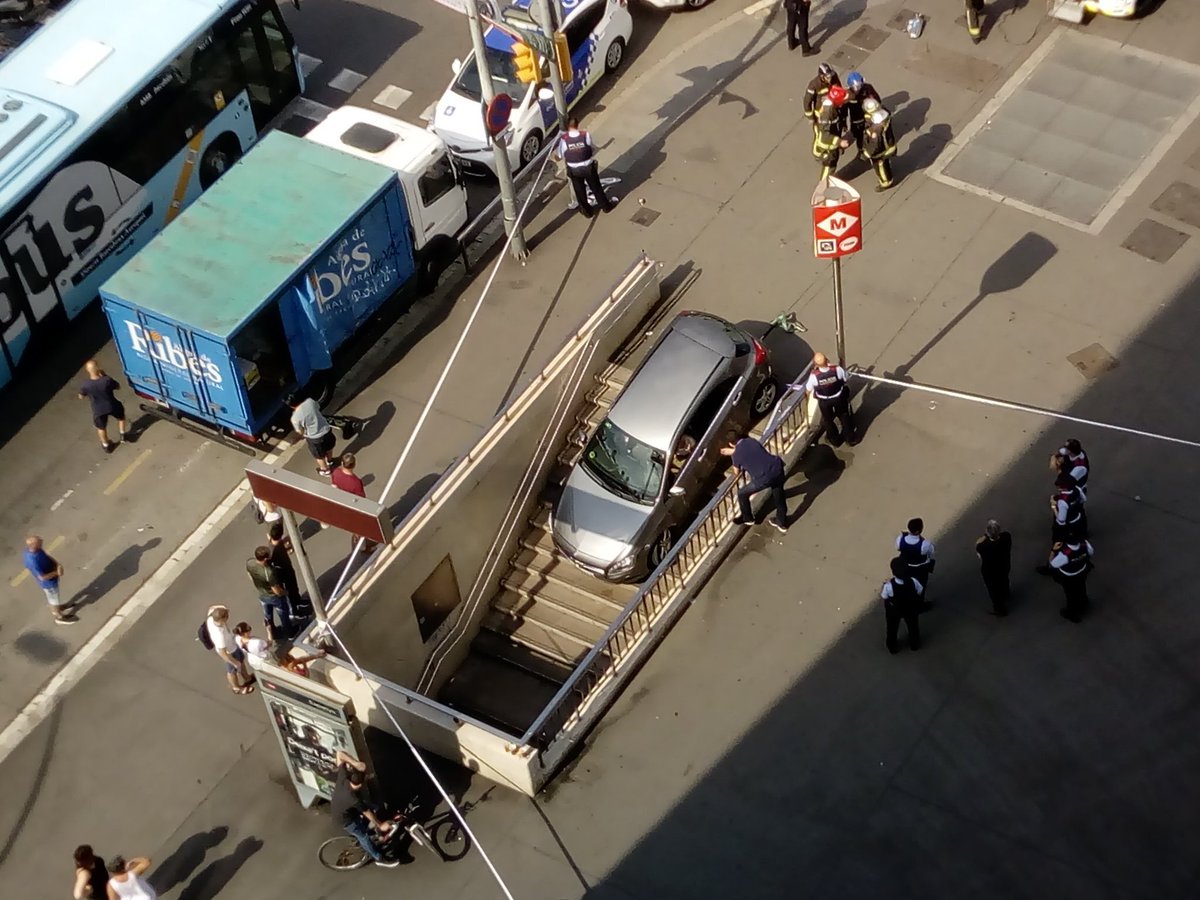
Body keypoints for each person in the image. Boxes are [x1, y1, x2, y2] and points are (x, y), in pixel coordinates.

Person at [331, 750, 400, 867]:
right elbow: (366, 812)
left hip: (346, 810)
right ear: (360, 784)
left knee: (375, 807)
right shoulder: (352, 798)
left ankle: (372, 831)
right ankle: (379, 858)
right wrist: (380, 825)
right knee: (363, 836)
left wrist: (355, 763)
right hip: (345, 820)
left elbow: (339, 754)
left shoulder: (343, 777)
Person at [720, 435, 788, 533]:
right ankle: (781, 521)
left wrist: (733, 454)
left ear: (730, 444)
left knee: (742, 493)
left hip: (763, 478)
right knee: (779, 495)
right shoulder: (751, 441)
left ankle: (747, 518)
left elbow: (736, 472)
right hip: (777, 467)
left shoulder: (736, 455)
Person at [557, 116, 616, 218]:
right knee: (596, 188)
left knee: (579, 191)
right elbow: (591, 147)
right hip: (588, 167)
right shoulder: (585, 135)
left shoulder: (564, 140)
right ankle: (606, 207)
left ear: (567, 126)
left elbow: (559, 156)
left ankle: (587, 212)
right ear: (577, 125)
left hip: (574, 170)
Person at [800, 351, 857, 446]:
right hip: (838, 397)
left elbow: (808, 390)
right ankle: (850, 438)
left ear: (815, 364)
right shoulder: (837, 369)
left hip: (824, 401)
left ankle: (835, 440)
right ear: (827, 359)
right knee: (844, 415)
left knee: (828, 420)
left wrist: (806, 399)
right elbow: (846, 379)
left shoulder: (814, 376)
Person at [78, 360, 132, 453]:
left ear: (87, 370)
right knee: (121, 417)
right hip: (112, 405)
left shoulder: (86, 385)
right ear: (98, 368)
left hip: (98, 410)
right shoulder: (106, 380)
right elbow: (118, 386)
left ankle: (106, 445)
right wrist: (105, 375)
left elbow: (81, 396)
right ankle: (123, 435)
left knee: (101, 428)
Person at [332, 452, 379, 554]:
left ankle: (363, 541)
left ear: (342, 463)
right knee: (360, 527)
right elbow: (361, 498)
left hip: (342, 505)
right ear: (354, 465)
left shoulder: (336, 472)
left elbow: (334, 487)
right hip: (353, 506)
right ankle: (363, 547)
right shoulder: (355, 482)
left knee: (355, 526)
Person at [23, 535, 75, 625]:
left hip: (52, 578)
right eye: (39, 541)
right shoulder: (32, 561)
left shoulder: (36, 550)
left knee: (55, 598)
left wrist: (57, 564)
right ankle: (59, 616)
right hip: (48, 584)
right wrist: (57, 572)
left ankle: (58, 608)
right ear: (33, 545)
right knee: (53, 599)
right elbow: (42, 577)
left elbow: (46, 556)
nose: (42, 541)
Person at [267, 522, 312, 621]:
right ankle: (295, 612)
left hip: (287, 569)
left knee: (294, 588)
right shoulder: (275, 549)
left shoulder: (274, 544)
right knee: (290, 590)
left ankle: (298, 601)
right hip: (284, 572)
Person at [206, 605, 254, 694]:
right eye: (227, 616)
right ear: (222, 619)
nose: (228, 617)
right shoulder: (219, 636)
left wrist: (224, 609)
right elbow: (222, 653)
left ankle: (247, 678)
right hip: (230, 652)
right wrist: (234, 663)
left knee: (241, 661)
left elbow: (212, 608)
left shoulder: (211, 618)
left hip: (233, 645)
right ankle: (236, 687)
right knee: (232, 671)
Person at [247, 545, 292, 640]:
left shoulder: (250, 563)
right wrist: (285, 592)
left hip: (262, 595)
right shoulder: (269, 572)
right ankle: (289, 632)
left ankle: (273, 633)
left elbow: (249, 574)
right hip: (273, 597)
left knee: (268, 617)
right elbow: (276, 590)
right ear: (265, 559)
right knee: (283, 614)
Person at [287, 393, 336, 477]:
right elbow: (318, 407)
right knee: (329, 447)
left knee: (319, 456)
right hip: (326, 429)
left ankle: (325, 470)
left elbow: (300, 431)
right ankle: (330, 461)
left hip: (314, 437)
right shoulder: (310, 401)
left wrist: (296, 439)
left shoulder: (295, 418)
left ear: (291, 406)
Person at [881, 557, 923, 653]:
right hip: (910, 608)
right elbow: (919, 591)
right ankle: (914, 644)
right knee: (913, 626)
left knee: (892, 628)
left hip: (895, 609)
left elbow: (884, 596)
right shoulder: (913, 581)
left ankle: (892, 647)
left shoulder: (889, 586)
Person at [1049, 537, 1094, 623]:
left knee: (1070, 595)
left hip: (1069, 577)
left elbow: (1052, 564)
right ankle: (1084, 603)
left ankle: (1071, 613)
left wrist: (1053, 550)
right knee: (1082, 588)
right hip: (1082, 572)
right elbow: (1091, 552)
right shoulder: (1084, 544)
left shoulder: (1065, 554)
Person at [860, 97, 897, 192]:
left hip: (882, 150)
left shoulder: (876, 128)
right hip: (889, 145)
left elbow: (875, 145)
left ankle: (886, 183)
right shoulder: (884, 114)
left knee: (880, 166)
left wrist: (866, 154)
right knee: (885, 163)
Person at [976, 519, 1012, 616]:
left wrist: (985, 536)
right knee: (1004, 580)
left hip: (990, 572)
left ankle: (1000, 609)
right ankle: (1006, 594)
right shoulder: (1006, 537)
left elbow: (978, 544)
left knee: (994, 590)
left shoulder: (983, 547)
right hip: (1004, 565)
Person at [812, 86, 849, 180]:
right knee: (829, 166)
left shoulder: (831, 107)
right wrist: (839, 142)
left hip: (831, 145)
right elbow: (825, 136)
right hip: (827, 148)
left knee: (830, 165)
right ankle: (824, 186)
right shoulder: (827, 114)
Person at [896, 518, 935, 602]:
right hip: (920, 569)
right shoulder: (925, 544)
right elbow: (931, 552)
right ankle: (919, 603)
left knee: (905, 582)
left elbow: (898, 549)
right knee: (921, 585)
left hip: (904, 566)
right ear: (918, 531)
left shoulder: (900, 539)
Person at [1050, 473, 1087, 543]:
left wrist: (1054, 507)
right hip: (1079, 518)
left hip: (1069, 523)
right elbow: (1083, 499)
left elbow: (1061, 521)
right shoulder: (1077, 489)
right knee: (1080, 537)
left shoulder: (1062, 501)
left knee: (1062, 539)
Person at [803, 62, 840, 127]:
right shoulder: (814, 85)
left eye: (830, 75)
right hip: (821, 114)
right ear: (822, 76)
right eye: (828, 76)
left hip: (834, 110)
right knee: (824, 133)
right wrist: (811, 118)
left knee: (836, 130)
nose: (830, 78)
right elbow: (807, 101)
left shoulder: (834, 77)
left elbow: (839, 89)